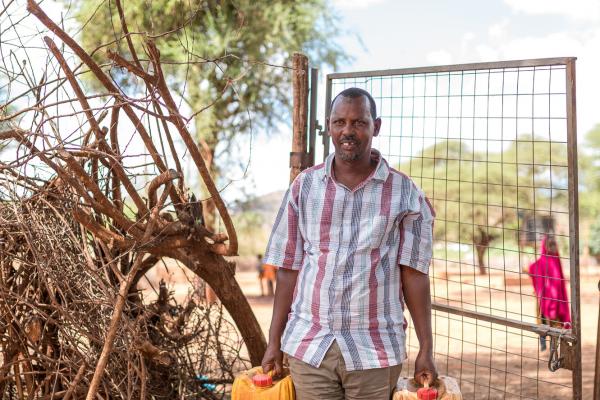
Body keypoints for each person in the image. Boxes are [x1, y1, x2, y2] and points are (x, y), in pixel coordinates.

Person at [261, 87, 437, 399]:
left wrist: (426, 347)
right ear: (329, 126)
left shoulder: (405, 192)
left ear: (376, 126)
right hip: (310, 345)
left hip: (376, 350)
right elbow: (288, 267)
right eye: (339, 122)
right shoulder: (305, 186)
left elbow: (414, 273)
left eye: (359, 122)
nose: (348, 131)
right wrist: (273, 341)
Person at [528, 235, 571, 351]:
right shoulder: (551, 260)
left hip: (549, 299)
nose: (552, 246)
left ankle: (549, 346)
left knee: (547, 322)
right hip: (550, 299)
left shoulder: (550, 260)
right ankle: (546, 345)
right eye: (550, 244)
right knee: (546, 322)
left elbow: (532, 269)